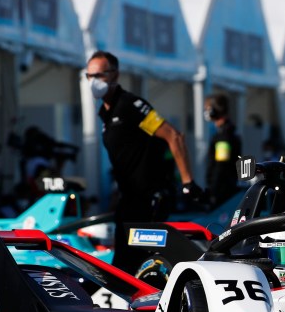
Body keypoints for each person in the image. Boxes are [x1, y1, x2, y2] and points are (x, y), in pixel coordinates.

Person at [85, 51, 204, 260]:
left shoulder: (130, 105)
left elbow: (174, 136)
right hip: (129, 199)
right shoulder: (105, 112)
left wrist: (188, 182)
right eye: (89, 76)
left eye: (99, 75)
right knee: (123, 261)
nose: (94, 81)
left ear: (115, 75)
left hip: (150, 198)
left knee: (143, 262)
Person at [204, 93, 242, 208]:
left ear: (214, 111)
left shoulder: (224, 136)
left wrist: (214, 191)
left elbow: (222, 164)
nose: (205, 112)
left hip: (222, 191)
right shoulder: (226, 132)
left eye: (207, 109)